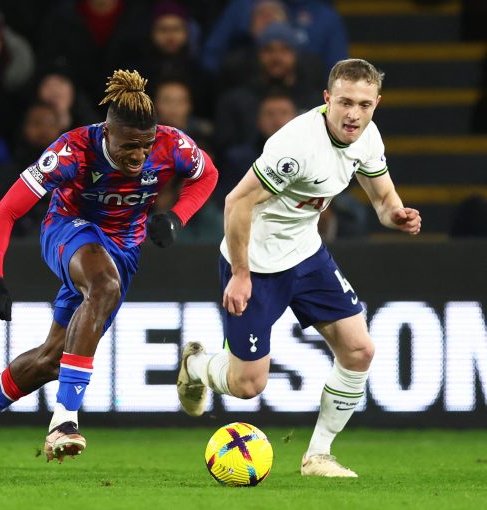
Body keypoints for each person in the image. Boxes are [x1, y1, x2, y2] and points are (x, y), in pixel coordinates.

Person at [0, 69, 218, 469]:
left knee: (54, 359)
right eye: (128, 147)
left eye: (145, 146)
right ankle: (64, 422)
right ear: (107, 131)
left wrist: (177, 217)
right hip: (68, 231)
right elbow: (5, 212)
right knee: (104, 286)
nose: (138, 156)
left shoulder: (173, 144)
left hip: (123, 249)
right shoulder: (72, 151)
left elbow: (207, 174)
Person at [176, 59, 422, 478]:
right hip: (256, 261)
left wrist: (396, 215)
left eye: (364, 104)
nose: (353, 114)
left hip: (307, 255)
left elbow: (383, 201)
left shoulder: (367, 137)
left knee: (360, 350)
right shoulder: (296, 146)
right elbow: (237, 202)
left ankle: (319, 455)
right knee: (248, 386)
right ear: (327, 99)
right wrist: (240, 272)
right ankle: (197, 366)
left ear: (376, 104)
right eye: (344, 102)